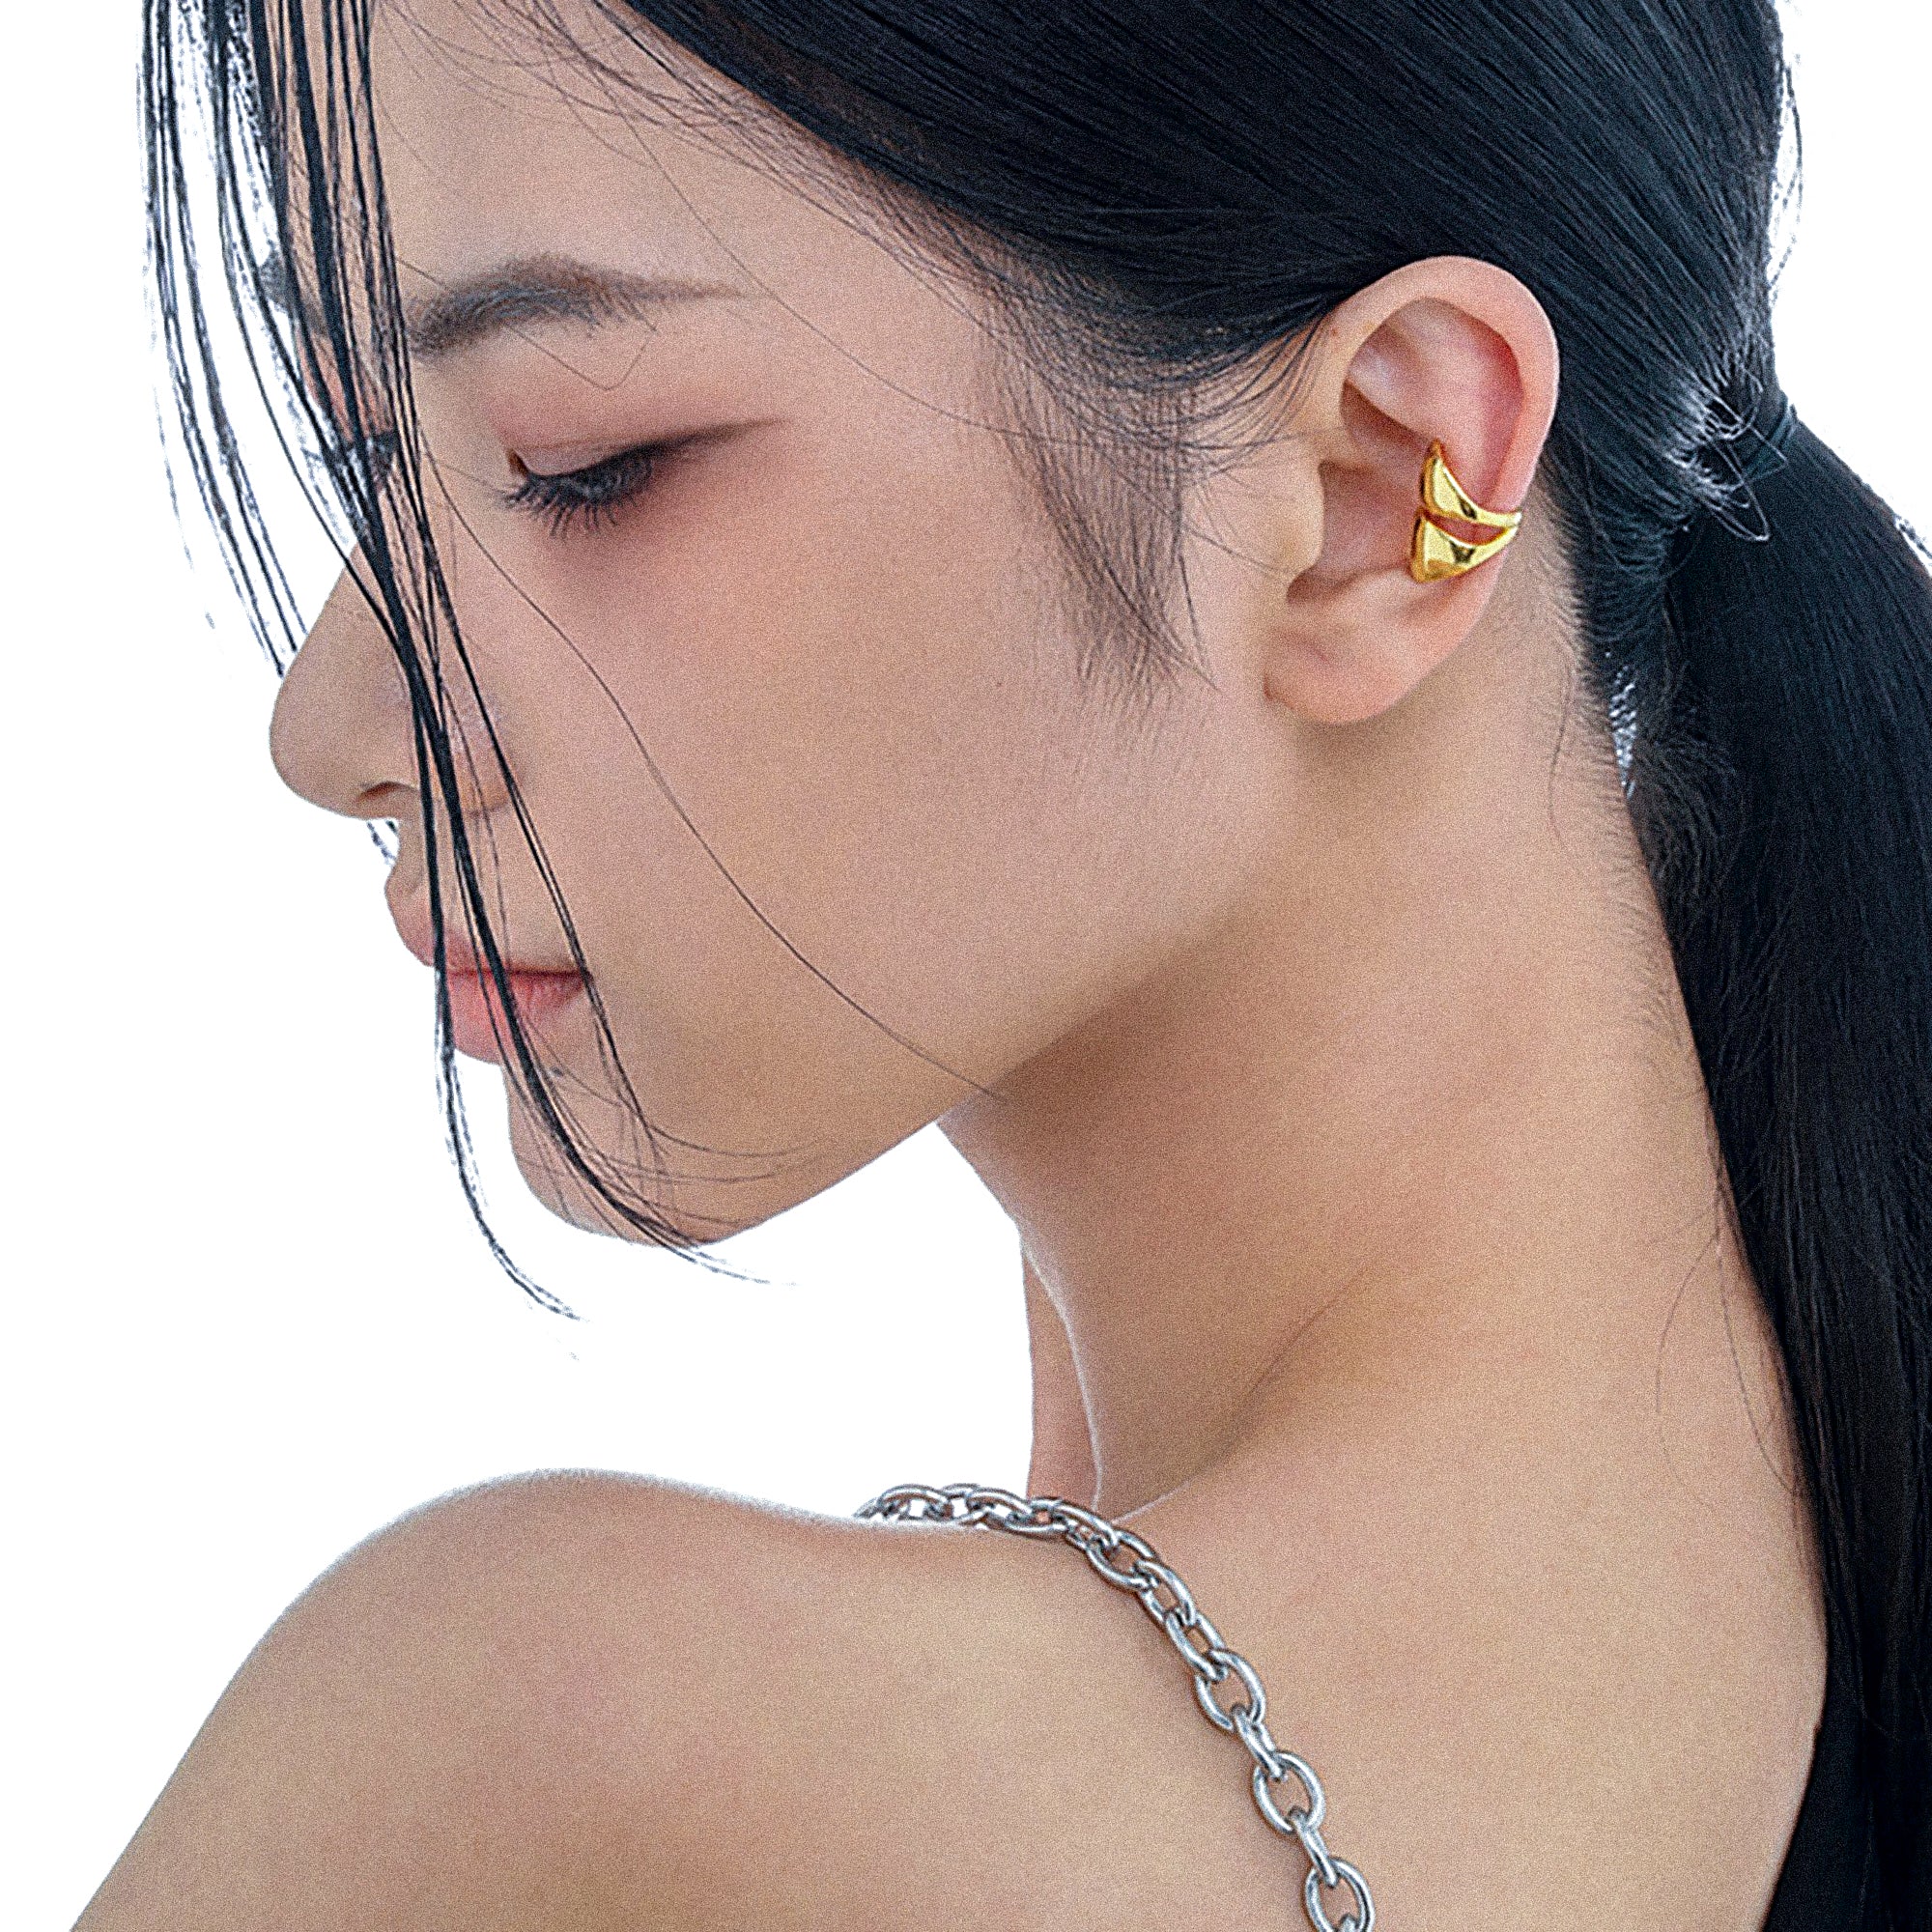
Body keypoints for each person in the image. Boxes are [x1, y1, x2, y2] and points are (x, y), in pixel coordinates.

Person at [86, 0, 1927, 1924]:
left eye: (577, 462)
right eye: (363, 452)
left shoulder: (582, 1767)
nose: (331, 726)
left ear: (1381, 491)